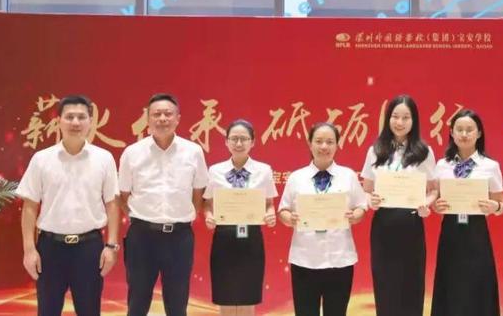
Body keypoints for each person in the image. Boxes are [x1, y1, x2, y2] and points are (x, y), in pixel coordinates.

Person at [17, 95, 120, 316]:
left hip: (89, 248)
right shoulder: (41, 159)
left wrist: (111, 246)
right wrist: (29, 250)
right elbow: (30, 206)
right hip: (50, 249)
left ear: (90, 121)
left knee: (89, 310)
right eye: (69, 117)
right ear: (59, 121)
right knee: (48, 310)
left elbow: (112, 204)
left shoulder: (104, 159)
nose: (75, 122)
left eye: (81, 117)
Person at [119, 93, 209, 316]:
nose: (162, 119)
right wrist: (141, 217)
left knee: (177, 304)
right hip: (142, 237)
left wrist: (184, 214)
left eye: (168, 114)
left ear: (178, 118)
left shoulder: (193, 151)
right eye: (156, 114)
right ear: (148, 119)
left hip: (179, 237)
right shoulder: (132, 152)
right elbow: (123, 195)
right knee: (137, 302)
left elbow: (198, 192)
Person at [278, 122, 368, 316]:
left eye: (330, 142)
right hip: (304, 259)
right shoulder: (296, 177)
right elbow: (283, 209)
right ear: (310, 144)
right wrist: (290, 218)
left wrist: (355, 216)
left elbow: (361, 206)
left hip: (340, 259)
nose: (324, 146)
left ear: (337, 145)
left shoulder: (348, 176)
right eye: (318, 141)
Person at [360, 95, 437, 316]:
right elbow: (366, 189)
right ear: (388, 118)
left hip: (411, 225)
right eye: (395, 116)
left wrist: (426, 204)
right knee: (385, 285)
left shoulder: (424, 152)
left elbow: (433, 190)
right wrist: (371, 200)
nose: (399, 122)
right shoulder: (376, 150)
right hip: (383, 226)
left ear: (414, 120)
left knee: (411, 284)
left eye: (405, 117)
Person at [431, 109, 503, 316]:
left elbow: (501, 204)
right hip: (450, 231)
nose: (464, 134)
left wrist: (494, 207)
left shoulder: (490, 166)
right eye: (459, 129)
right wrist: (436, 206)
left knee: (478, 285)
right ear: (451, 133)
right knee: (450, 284)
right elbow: (435, 199)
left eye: (469, 129)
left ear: (479, 133)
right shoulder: (442, 165)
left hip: (477, 232)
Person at [203, 119, 278, 315]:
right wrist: (209, 216)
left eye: (243, 139)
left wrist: (270, 215)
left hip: (251, 237)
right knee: (225, 295)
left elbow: (269, 204)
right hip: (224, 237)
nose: (238, 143)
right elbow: (207, 203)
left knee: (248, 295)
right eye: (234, 138)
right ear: (226, 142)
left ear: (252, 142)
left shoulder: (263, 170)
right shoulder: (215, 170)